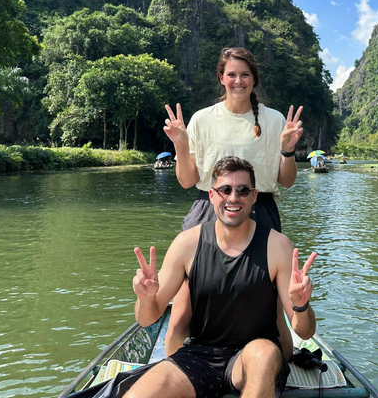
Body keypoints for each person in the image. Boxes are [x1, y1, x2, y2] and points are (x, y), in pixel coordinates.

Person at [127, 156, 317, 398]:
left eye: (243, 190)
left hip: (253, 357)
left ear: (255, 196)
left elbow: (305, 332)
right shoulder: (187, 244)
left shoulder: (277, 246)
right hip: (199, 356)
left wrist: (301, 306)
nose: (233, 198)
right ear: (212, 195)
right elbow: (147, 319)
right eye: (225, 189)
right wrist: (145, 298)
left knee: (264, 353)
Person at [162, 47, 304, 357]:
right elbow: (187, 181)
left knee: (270, 303)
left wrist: (289, 151)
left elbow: (287, 180)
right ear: (221, 78)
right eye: (231, 74)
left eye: (245, 75)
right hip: (207, 208)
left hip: (260, 207)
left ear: (254, 80)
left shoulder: (274, 119)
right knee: (185, 303)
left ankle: (279, 368)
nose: (238, 81)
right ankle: (174, 368)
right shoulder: (202, 119)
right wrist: (181, 145)